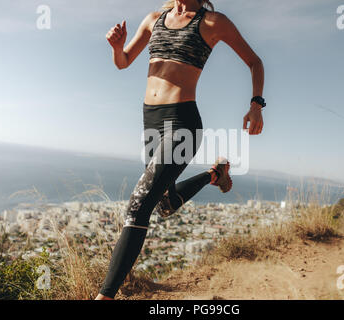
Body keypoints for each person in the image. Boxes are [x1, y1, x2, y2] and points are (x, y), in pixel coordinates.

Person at [96, 0, 265, 300]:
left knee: (138, 206)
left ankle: (105, 296)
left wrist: (256, 106)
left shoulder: (213, 22)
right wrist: (116, 46)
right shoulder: (154, 18)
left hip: (182, 122)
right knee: (165, 204)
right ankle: (216, 173)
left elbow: (255, 62)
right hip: (151, 122)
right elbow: (123, 62)